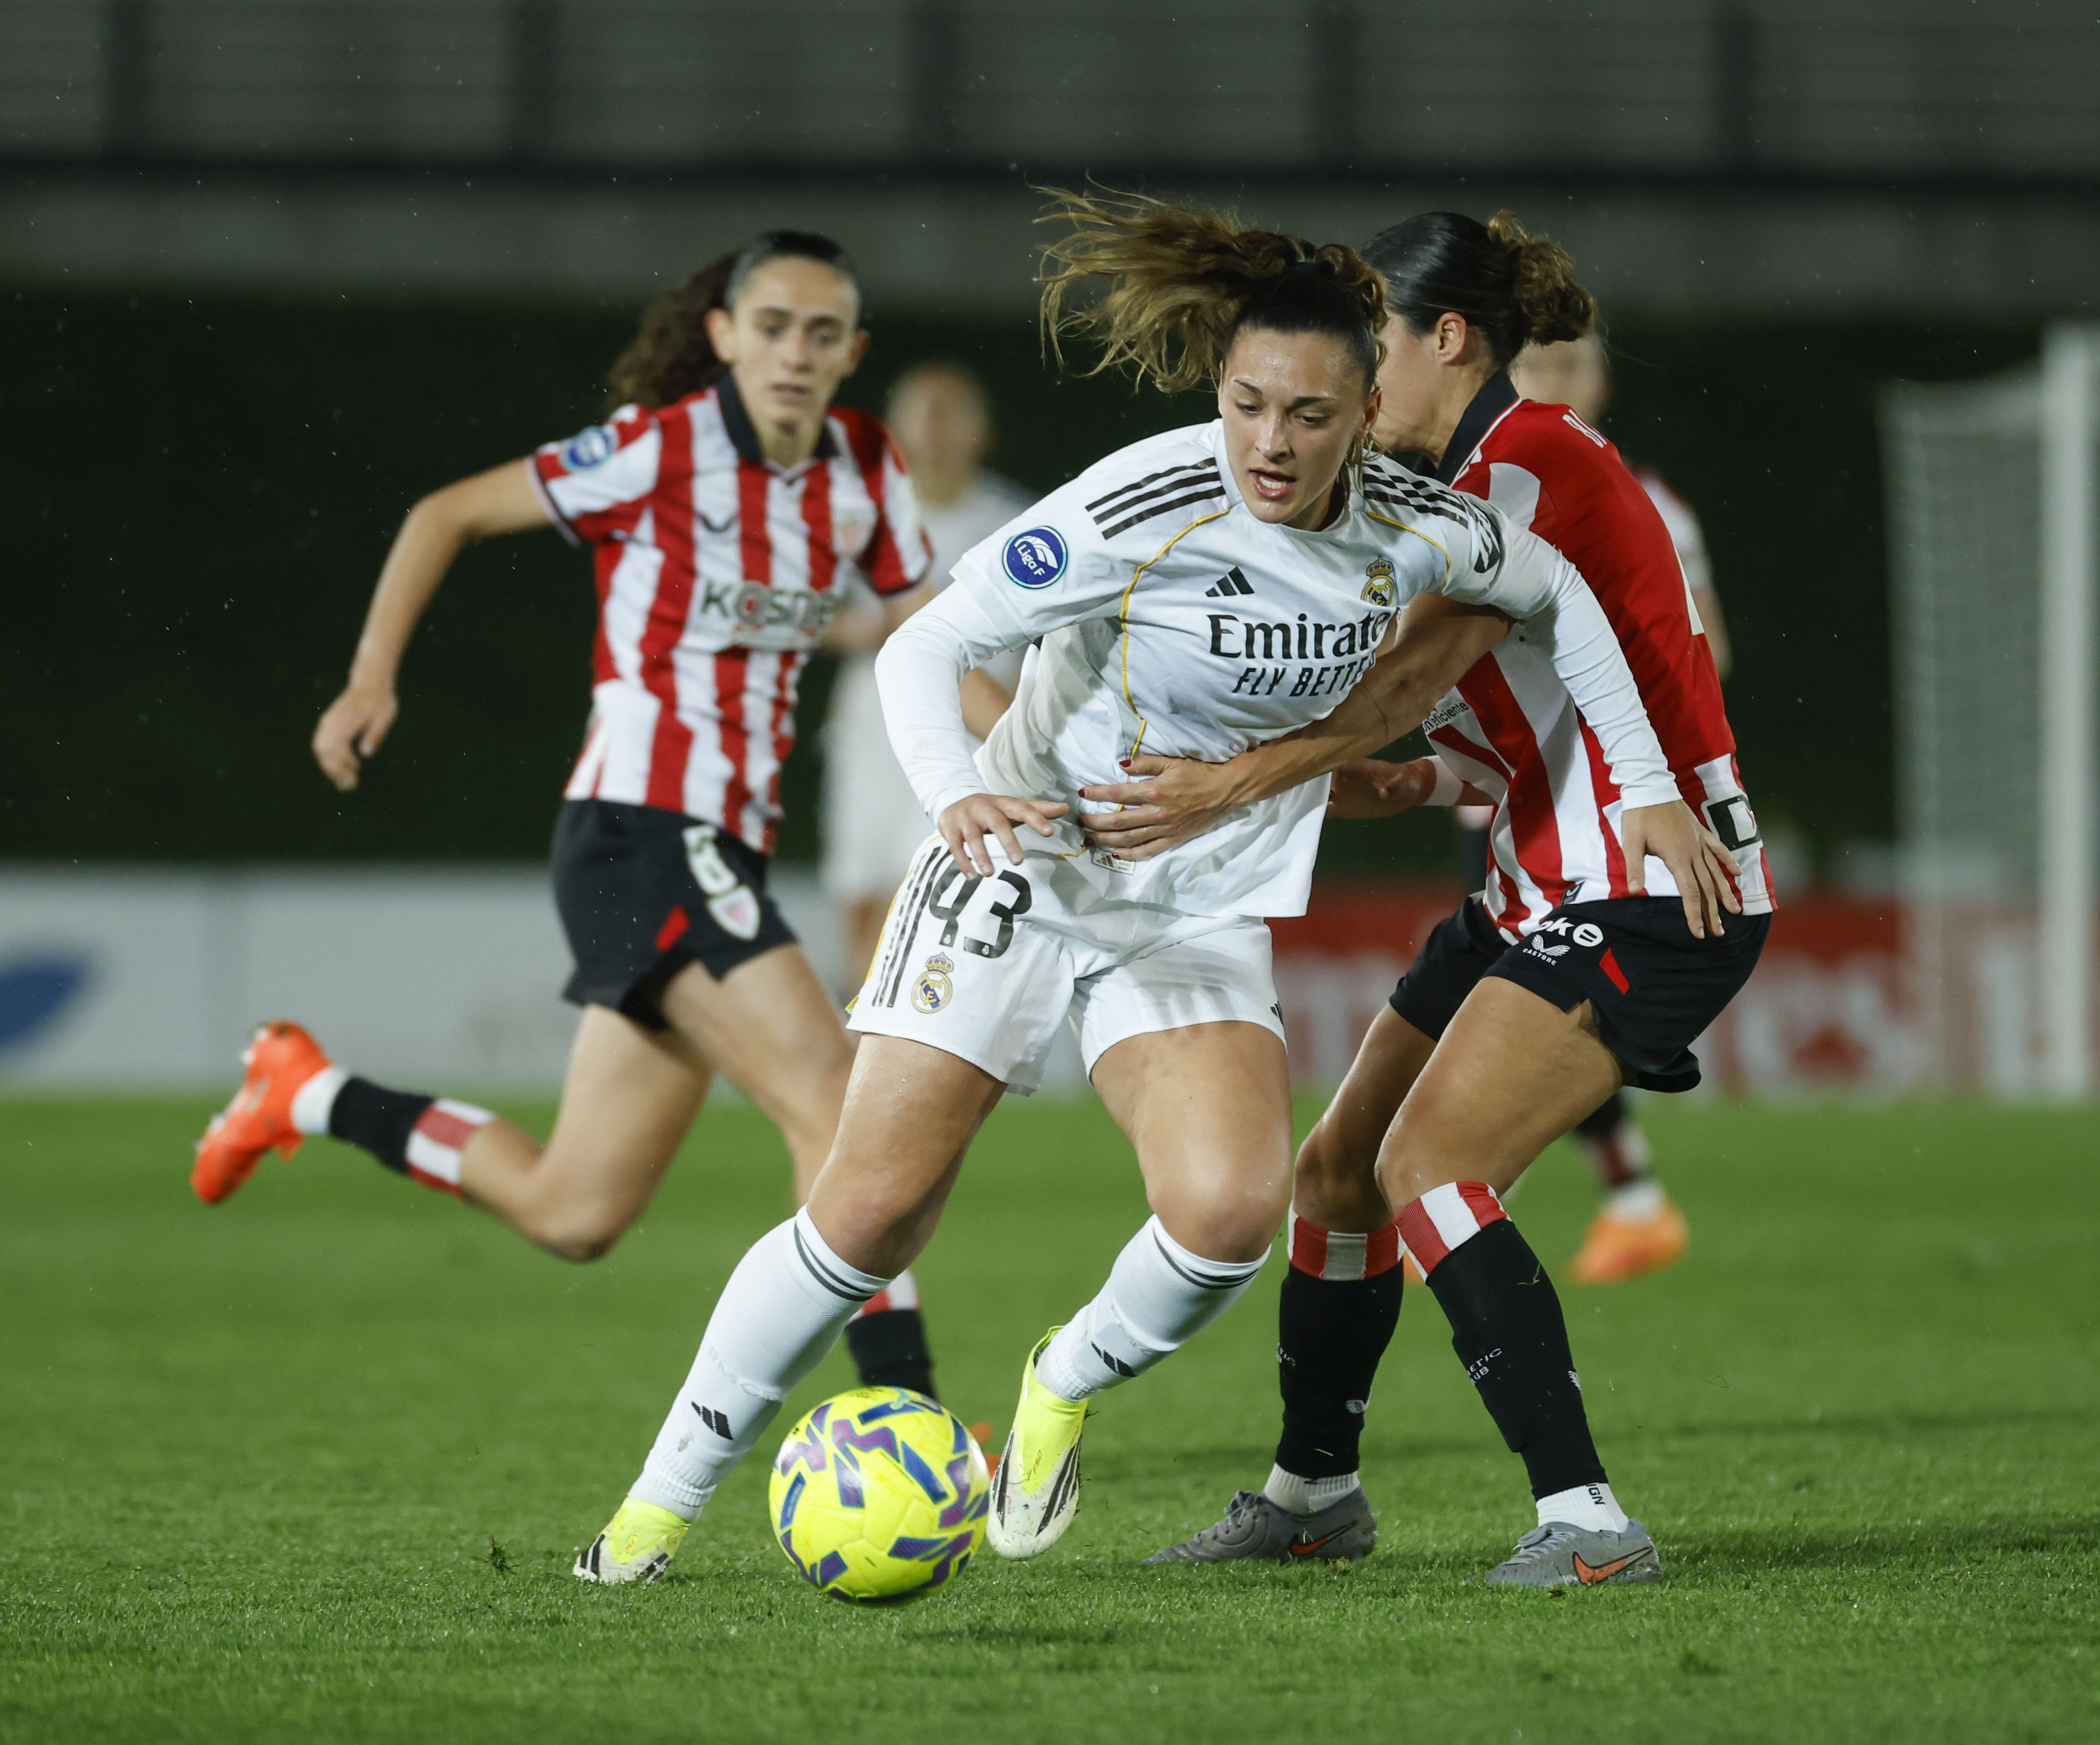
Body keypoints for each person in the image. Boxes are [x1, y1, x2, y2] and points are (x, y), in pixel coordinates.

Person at [570, 191, 1731, 1586]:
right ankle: (651, 1508)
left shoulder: (1425, 525)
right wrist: (958, 795)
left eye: (1307, 414)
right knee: (866, 1208)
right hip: (1028, 867)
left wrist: (1650, 781)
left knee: (1231, 1211)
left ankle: (1055, 1379)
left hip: (1188, 910)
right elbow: (919, 649)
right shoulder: (1145, 503)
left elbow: (1569, 603)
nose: (1268, 443)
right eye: (1245, 404)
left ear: (1367, 409)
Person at [1084, 211, 1771, 1587]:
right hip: (1536, 885)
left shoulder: (1529, 465)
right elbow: (1475, 723)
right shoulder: (1459, 486)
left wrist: (1235, 777)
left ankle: (1585, 1522)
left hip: (1649, 888)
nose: (1350, 376)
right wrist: (1388, 779)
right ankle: (1312, 1491)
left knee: (1426, 1170)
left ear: (1444, 338)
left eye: (1370, 347)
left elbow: (1404, 675)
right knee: (1334, 1173)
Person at [188, 230, 954, 1404]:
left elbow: (929, 631)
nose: (793, 352)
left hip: (712, 847)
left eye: (818, 333)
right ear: (723, 336)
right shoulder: (657, 451)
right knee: (838, 1109)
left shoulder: (863, 465)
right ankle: (906, 1416)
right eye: (770, 326)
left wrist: (1028, 759)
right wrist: (370, 676)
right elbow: (442, 513)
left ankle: (306, 1090)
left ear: (852, 350)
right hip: (639, 827)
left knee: (574, 1210)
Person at [1503, 329, 1735, 1277]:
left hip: (1602, 808)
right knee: (1520, 1000)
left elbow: (1704, 653)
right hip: (1510, 802)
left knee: (1546, 1002)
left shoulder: (1649, 508)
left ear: (1601, 379)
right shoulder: (1491, 497)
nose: (1556, 383)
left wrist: (1606, 734)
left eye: (1573, 365)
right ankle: (1623, 1196)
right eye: (1537, 366)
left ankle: (1467, 1185)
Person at [819, 363, 1030, 983]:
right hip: (872, 730)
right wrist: (868, 628)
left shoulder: (1015, 518)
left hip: (974, 732)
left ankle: (915, 1049)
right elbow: (806, 614)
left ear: (982, 430)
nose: (935, 428)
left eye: (952, 412)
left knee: (939, 894)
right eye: (921, 411)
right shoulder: (857, 518)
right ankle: (858, 1057)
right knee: (862, 898)